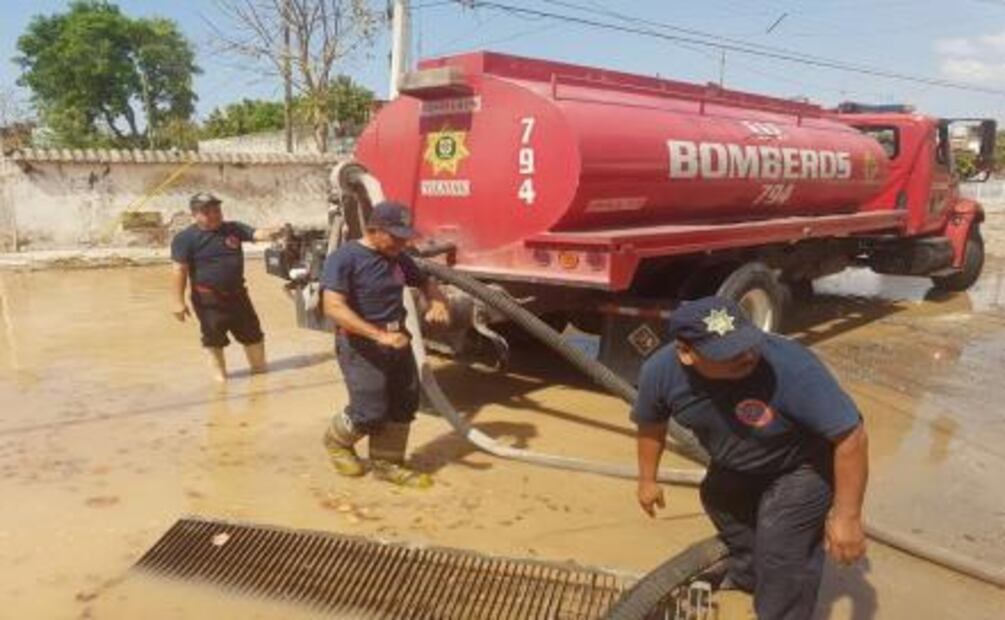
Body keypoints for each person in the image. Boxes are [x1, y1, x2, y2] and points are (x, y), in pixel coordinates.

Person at [632, 296, 868, 620]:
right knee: (718, 498)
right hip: (739, 461)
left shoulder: (792, 367)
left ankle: (783, 611)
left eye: (747, 343)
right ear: (686, 353)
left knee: (782, 542)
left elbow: (851, 436)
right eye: (728, 352)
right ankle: (750, 576)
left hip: (804, 463)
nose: (747, 356)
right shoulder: (659, 373)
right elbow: (651, 424)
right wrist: (647, 480)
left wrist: (847, 517)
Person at [319, 201, 450, 488]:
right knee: (369, 411)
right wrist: (379, 336)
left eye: (405, 237)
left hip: (398, 341)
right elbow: (333, 307)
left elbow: (425, 282)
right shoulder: (345, 258)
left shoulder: (399, 257)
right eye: (395, 236)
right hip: (360, 346)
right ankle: (337, 442)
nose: (402, 243)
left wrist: (437, 301)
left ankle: (387, 465)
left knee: (404, 404)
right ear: (373, 230)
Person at [170, 192, 285, 382]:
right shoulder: (185, 238)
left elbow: (257, 234)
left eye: (216, 210)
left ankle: (260, 376)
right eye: (207, 212)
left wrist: (276, 230)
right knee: (213, 339)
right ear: (195, 215)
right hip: (208, 299)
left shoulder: (233, 229)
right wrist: (177, 302)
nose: (214, 215)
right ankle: (220, 383)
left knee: (253, 335)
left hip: (238, 295)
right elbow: (179, 270)